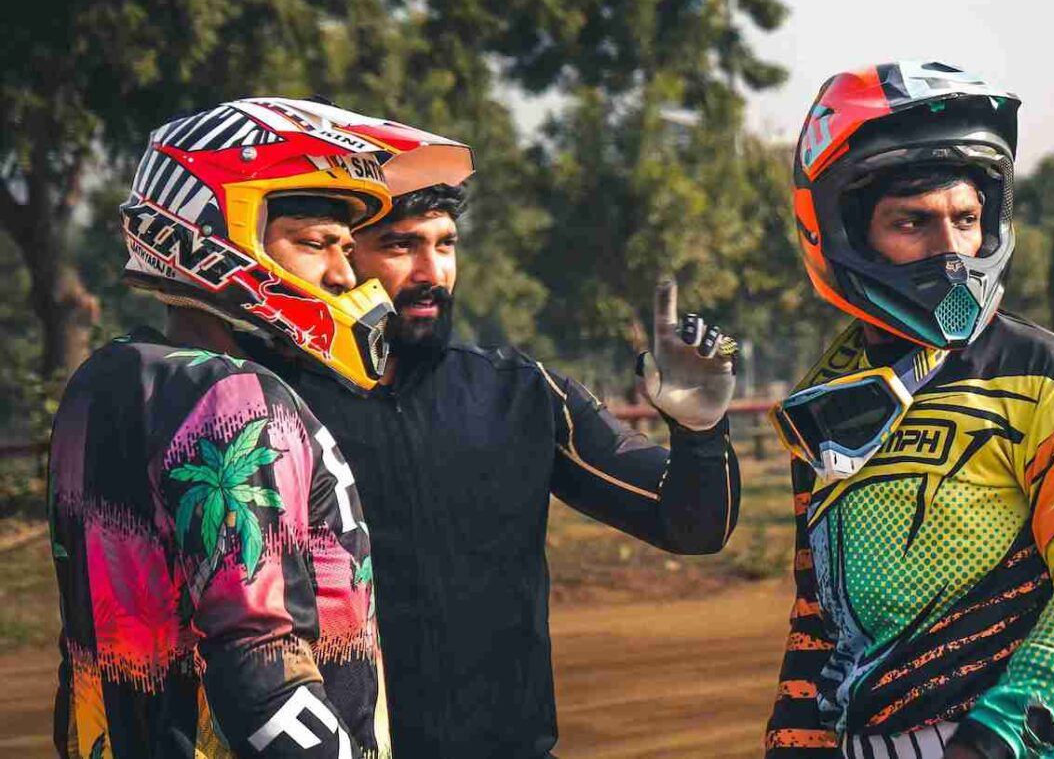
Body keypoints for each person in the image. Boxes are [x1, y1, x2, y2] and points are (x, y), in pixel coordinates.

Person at [47, 97, 471, 758]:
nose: (343, 273)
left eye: (344, 248)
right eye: (315, 243)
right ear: (221, 236)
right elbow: (259, 667)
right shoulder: (238, 400)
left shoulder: (105, 380)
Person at [257, 181, 742, 758]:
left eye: (445, 244)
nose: (431, 272)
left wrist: (700, 431)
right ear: (343, 257)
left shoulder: (521, 390)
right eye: (399, 246)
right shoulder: (266, 404)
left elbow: (692, 526)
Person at [763, 62, 1054, 759]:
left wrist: (1000, 735)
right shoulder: (827, 401)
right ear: (842, 232)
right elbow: (819, 620)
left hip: (994, 743)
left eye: (966, 219)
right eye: (912, 222)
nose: (951, 252)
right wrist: (792, 744)